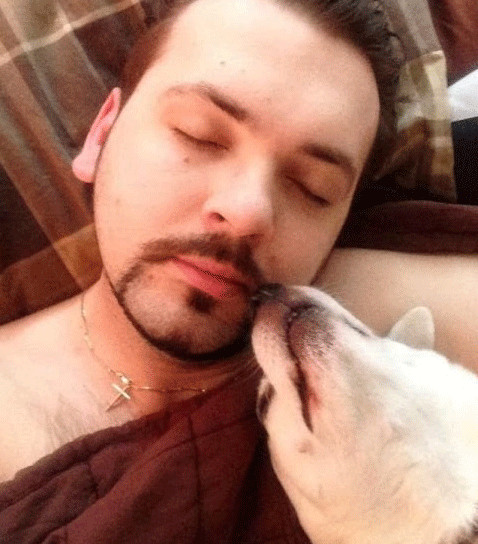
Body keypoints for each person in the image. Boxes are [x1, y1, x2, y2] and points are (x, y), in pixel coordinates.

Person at [0, 0, 406, 481]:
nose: (247, 212)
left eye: (312, 187)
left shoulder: (394, 331)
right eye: (200, 135)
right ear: (100, 136)